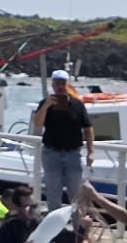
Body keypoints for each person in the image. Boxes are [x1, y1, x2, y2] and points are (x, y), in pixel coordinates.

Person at [30, 70, 93, 209]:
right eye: (57, 83)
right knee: (53, 191)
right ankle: (55, 220)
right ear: (52, 85)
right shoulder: (45, 103)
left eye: (62, 83)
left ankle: (77, 221)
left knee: (76, 192)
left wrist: (91, 151)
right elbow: (38, 124)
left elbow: (88, 128)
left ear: (67, 84)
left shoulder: (77, 104)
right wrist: (46, 105)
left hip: (73, 153)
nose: (60, 86)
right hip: (51, 152)